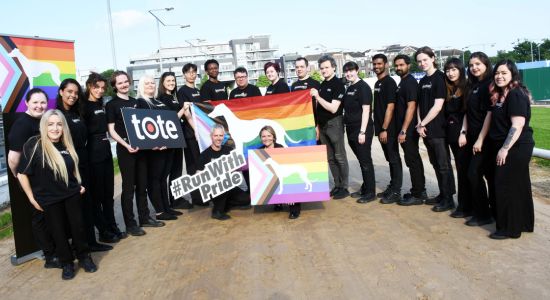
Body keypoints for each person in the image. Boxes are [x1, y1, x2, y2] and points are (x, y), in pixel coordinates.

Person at [17, 109, 97, 280]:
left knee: (78, 228)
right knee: (58, 232)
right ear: (44, 126)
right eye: (51, 124)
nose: (55, 128)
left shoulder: (66, 143)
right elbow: (21, 173)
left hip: (71, 195)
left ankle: (84, 258)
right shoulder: (35, 145)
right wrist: (31, 198)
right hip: (49, 199)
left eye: (59, 124)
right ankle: (67, 263)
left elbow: (72, 167)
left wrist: (78, 185)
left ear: (64, 127)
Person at [56, 79, 113, 252]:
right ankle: (76, 246)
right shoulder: (57, 115)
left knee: (87, 203)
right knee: (74, 208)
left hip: (84, 160)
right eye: (69, 92)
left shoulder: (76, 112)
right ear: (61, 92)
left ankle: (91, 242)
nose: (73, 95)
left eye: (75, 93)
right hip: (67, 163)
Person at [106, 71, 164, 237]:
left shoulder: (136, 102)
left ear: (130, 82)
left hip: (141, 150)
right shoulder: (112, 105)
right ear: (115, 86)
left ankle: (144, 218)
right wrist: (126, 144)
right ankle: (130, 224)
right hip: (126, 151)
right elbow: (111, 131)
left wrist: (150, 144)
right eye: (120, 83)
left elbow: (145, 127)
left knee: (142, 186)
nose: (124, 85)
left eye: (126, 82)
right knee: (128, 188)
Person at [7, 88, 58, 268]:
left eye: (43, 102)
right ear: (27, 103)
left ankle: (55, 250)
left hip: (48, 178)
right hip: (34, 181)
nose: (39, 106)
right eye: (35, 102)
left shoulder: (44, 121)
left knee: (51, 216)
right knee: (40, 218)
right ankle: (50, 256)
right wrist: (18, 176)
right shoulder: (22, 124)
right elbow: (13, 159)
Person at [486, 60, 534, 240]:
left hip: (516, 146)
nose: (499, 76)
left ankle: (509, 229)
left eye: (504, 73)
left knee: (505, 185)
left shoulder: (515, 94)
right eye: (497, 73)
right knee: (519, 185)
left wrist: (504, 149)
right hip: (511, 145)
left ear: (513, 75)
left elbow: (518, 124)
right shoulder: (501, 95)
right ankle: (523, 224)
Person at [82, 73, 127, 243]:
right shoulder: (83, 106)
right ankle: (103, 230)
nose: (100, 91)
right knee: (97, 196)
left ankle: (112, 225)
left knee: (108, 194)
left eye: (102, 88)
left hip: (106, 152)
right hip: (93, 155)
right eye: (96, 87)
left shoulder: (102, 104)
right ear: (89, 86)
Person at [415, 47, 456, 212]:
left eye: (425, 59)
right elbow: (419, 105)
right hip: (424, 129)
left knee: (443, 164)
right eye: (419, 61)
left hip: (438, 130)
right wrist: (419, 124)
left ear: (433, 58)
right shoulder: (423, 80)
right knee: (435, 163)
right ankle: (442, 193)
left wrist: (422, 124)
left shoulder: (440, 78)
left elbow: (438, 106)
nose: (422, 63)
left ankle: (449, 198)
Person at [137, 75, 182, 221]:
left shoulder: (157, 101)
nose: (150, 85)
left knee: (163, 178)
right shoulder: (141, 102)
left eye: (152, 83)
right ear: (141, 86)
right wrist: (154, 144)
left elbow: (171, 119)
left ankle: (166, 207)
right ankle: (159, 211)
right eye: (147, 83)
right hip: (154, 148)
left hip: (167, 145)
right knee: (155, 179)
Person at [310, 55, 349, 199]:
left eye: (327, 67)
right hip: (323, 125)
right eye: (322, 68)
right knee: (330, 158)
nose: (324, 70)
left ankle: (344, 187)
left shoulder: (338, 84)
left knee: (339, 156)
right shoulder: (322, 84)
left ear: (333, 67)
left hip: (335, 123)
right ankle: (337, 185)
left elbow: (333, 108)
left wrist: (318, 97)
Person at [464, 52, 495, 226]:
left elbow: (489, 114)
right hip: (474, 136)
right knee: (484, 174)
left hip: (485, 138)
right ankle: (489, 211)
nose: (474, 67)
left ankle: (484, 214)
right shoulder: (474, 85)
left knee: (474, 173)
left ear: (486, 64)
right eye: (471, 65)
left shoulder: (488, 84)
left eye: (478, 64)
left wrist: (480, 139)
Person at [393, 55, 428, 206]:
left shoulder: (410, 83)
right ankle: (419, 190)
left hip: (408, 130)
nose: (399, 67)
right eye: (396, 65)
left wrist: (403, 130)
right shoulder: (403, 82)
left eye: (401, 65)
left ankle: (418, 194)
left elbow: (412, 107)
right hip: (405, 129)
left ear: (408, 65)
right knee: (411, 159)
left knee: (413, 160)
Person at [198, 124, 251, 220]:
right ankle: (217, 211)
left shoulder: (229, 150)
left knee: (246, 200)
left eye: (221, 136)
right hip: (214, 188)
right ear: (211, 136)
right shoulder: (204, 155)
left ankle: (225, 204)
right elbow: (198, 175)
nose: (218, 138)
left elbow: (238, 167)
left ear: (223, 136)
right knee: (223, 184)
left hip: (229, 184)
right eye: (216, 135)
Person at [157, 71, 193, 209]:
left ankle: (176, 198)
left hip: (179, 137)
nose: (171, 83)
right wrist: (183, 110)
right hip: (170, 138)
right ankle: (171, 201)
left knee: (177, 170)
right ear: (163, 83)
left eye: (173, 81)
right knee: (171, 170)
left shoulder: (173, 97)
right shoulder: (162, 98)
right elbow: (170, 121)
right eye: (168, 81)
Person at [341, 61, 376, 204]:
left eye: (351, 71)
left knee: (365, 161)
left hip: (362, 129)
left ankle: (370, 192)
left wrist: (362, 132)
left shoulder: (363, 87)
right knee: (362, 161)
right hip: (351, 128)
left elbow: (366, 110)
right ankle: (366, 186)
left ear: (357, 70)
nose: (349, 73)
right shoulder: (350, 87)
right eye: (346, 71)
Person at [443, 58, 473, 218]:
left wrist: (463, 133)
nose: (450, 73)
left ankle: (465, 206)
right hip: (452, 135)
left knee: (464, 171)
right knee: (461, 170)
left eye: (454, 69)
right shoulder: (450, 89)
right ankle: (465, 204)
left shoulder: (466, 87)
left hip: (463, 135)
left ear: (461, 70)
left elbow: (468, 112)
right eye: (448, 70)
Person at [372, 54, 402, 204]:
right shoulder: (378, 83)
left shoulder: (389, 83)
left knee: (394, 158)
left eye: (379, 64)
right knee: (390, 159)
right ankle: (392, 186)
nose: (376, 66)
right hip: (381, 128)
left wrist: (384, 128)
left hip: (388, 129)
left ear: (386, 64)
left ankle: (396, 191)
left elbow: (390, 107)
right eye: (374, 64)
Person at [176, 63, 208, 207]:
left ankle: (204, 195)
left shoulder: (197, 90)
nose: (192, 75)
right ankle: (196, 197)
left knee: (202, 164)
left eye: (194, 72)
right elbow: (187, 113)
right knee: (193, 166)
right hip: (190, 134)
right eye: (189, 72)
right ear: (184, 75)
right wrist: (195, 130)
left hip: (200, 132)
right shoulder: (182, 91)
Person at [258, 125, 302, 219]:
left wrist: (290, 194)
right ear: (260, 138)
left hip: (285, 175)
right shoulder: (259, 152)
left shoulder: (280, 148)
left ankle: (294, 208)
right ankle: (278, 202)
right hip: (272, 178)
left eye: (269, 136)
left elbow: (288, 169)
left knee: (293, 190)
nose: (266, 138)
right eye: (263, 136)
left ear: (273, 137)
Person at [291, 57, 321, 139]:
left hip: (312, 124)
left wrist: (317, 126)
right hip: (298, 125)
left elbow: (318, 107)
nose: (299, 69)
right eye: (297, 67)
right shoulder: (293, 86)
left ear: (307, 68)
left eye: (302, 67)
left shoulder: (315, 84)